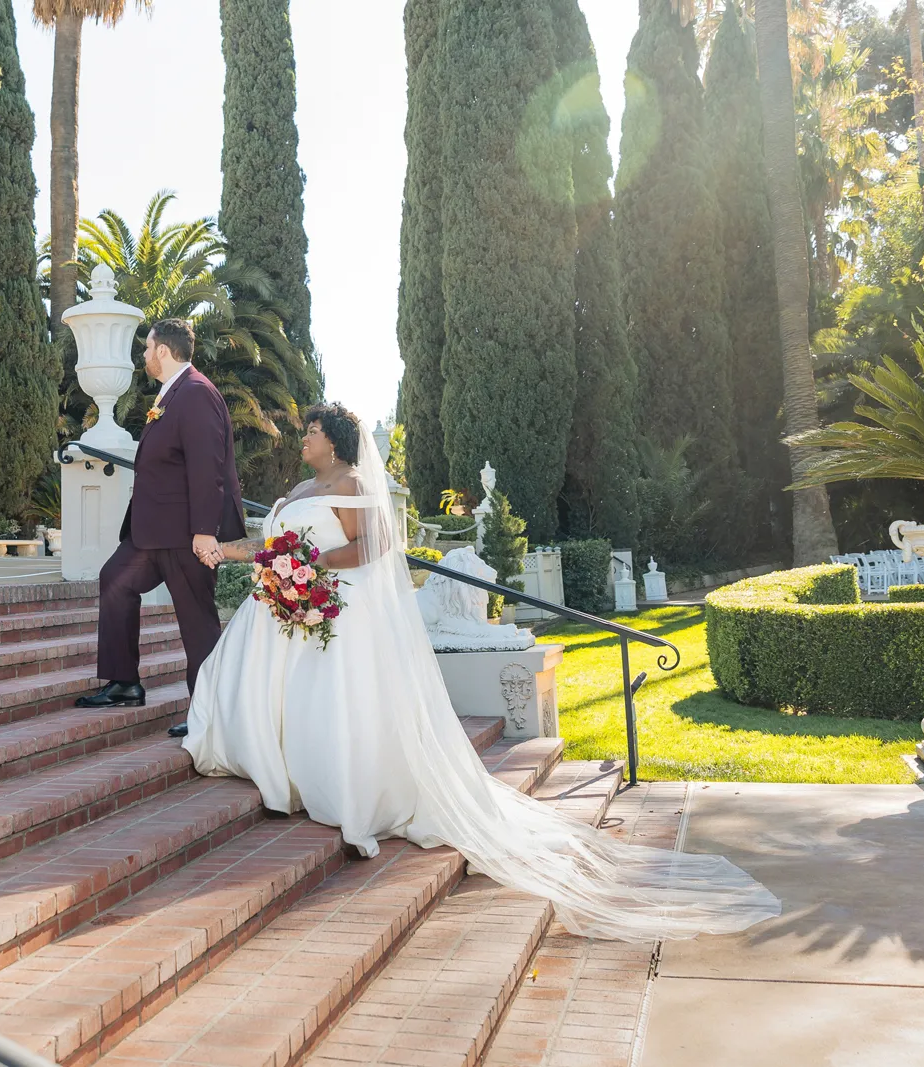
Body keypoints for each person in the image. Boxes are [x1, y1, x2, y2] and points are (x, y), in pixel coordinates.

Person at [181, 402, 781, 943]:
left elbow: (368, 550)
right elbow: (273, 545)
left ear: (333, 440)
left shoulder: (353, 482)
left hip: (332, 604)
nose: (303, 439)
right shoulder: (298, 486)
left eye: (311, 431)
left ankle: (336, 781)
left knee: (330, 700)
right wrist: (230, 551)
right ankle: (269, 759)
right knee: (260, 687)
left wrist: (306, 565)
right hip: (287, 603)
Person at [75, 318, 246, 720]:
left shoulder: (196, 394)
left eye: (148, 349)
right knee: (115, 581)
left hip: (187, 533)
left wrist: (205, 532)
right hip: (151, 532)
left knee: (196, 619)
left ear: (164, 351)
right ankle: (123, 682)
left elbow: (208, 467)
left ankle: (207, 714)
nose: (146, 356)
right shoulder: (172, 394)